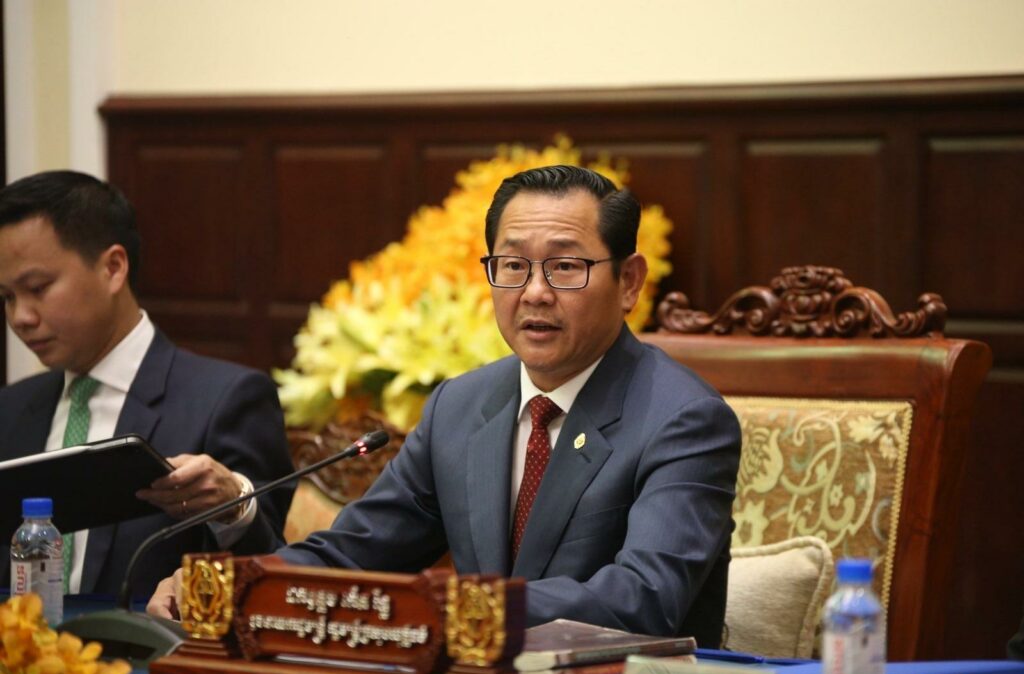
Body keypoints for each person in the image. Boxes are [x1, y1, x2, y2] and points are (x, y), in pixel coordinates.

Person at [149, 165, 740, 644]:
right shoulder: (461, 405)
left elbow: (644, 598)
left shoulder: (684, 419)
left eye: (565, 266)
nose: (534, 292)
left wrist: (454, 608)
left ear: (629, 282)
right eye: (513, 266)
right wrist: (229, 585)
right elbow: (353, 555)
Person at [0, 170, 294, 599]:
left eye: (38, 288)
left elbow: (271, 576)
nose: (20, 317)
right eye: (7, 297)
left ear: (113, 268)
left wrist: (234, 509)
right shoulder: (11, 408)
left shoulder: (227, 400)